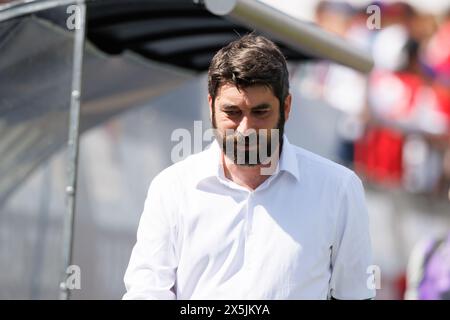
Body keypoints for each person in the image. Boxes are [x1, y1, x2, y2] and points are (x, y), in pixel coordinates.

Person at [123, 34, 375, 300]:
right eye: (232, 112)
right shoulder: (172, 188)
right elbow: (146, 293)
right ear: (211, 107)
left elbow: (355, 294)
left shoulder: (338, 189)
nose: (245, 129)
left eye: (260, 112)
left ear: (286, 107)